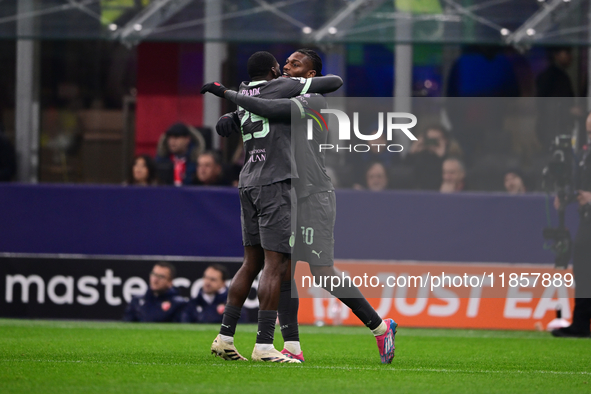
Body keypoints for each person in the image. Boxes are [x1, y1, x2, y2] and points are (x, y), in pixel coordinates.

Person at [203, 48, 398, 364]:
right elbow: (262, 110)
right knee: (281, 269)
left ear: (310, 76)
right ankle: (291, 345)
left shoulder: (312, 100)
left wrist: (233, 103)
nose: (288, 66)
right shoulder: (281, 92)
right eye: (287, 62)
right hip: (287, 189)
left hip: (314, 193)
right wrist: (234, 117)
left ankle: (380, 326)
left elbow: (268, 108)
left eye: (296, 64)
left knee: (322, 272)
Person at [552, 112, 591, 338]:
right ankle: (581, 323)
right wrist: (567, 197)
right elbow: (581, 186)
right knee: (583, 271)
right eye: (587, 132)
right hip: (587, 220)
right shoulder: (585, 155)